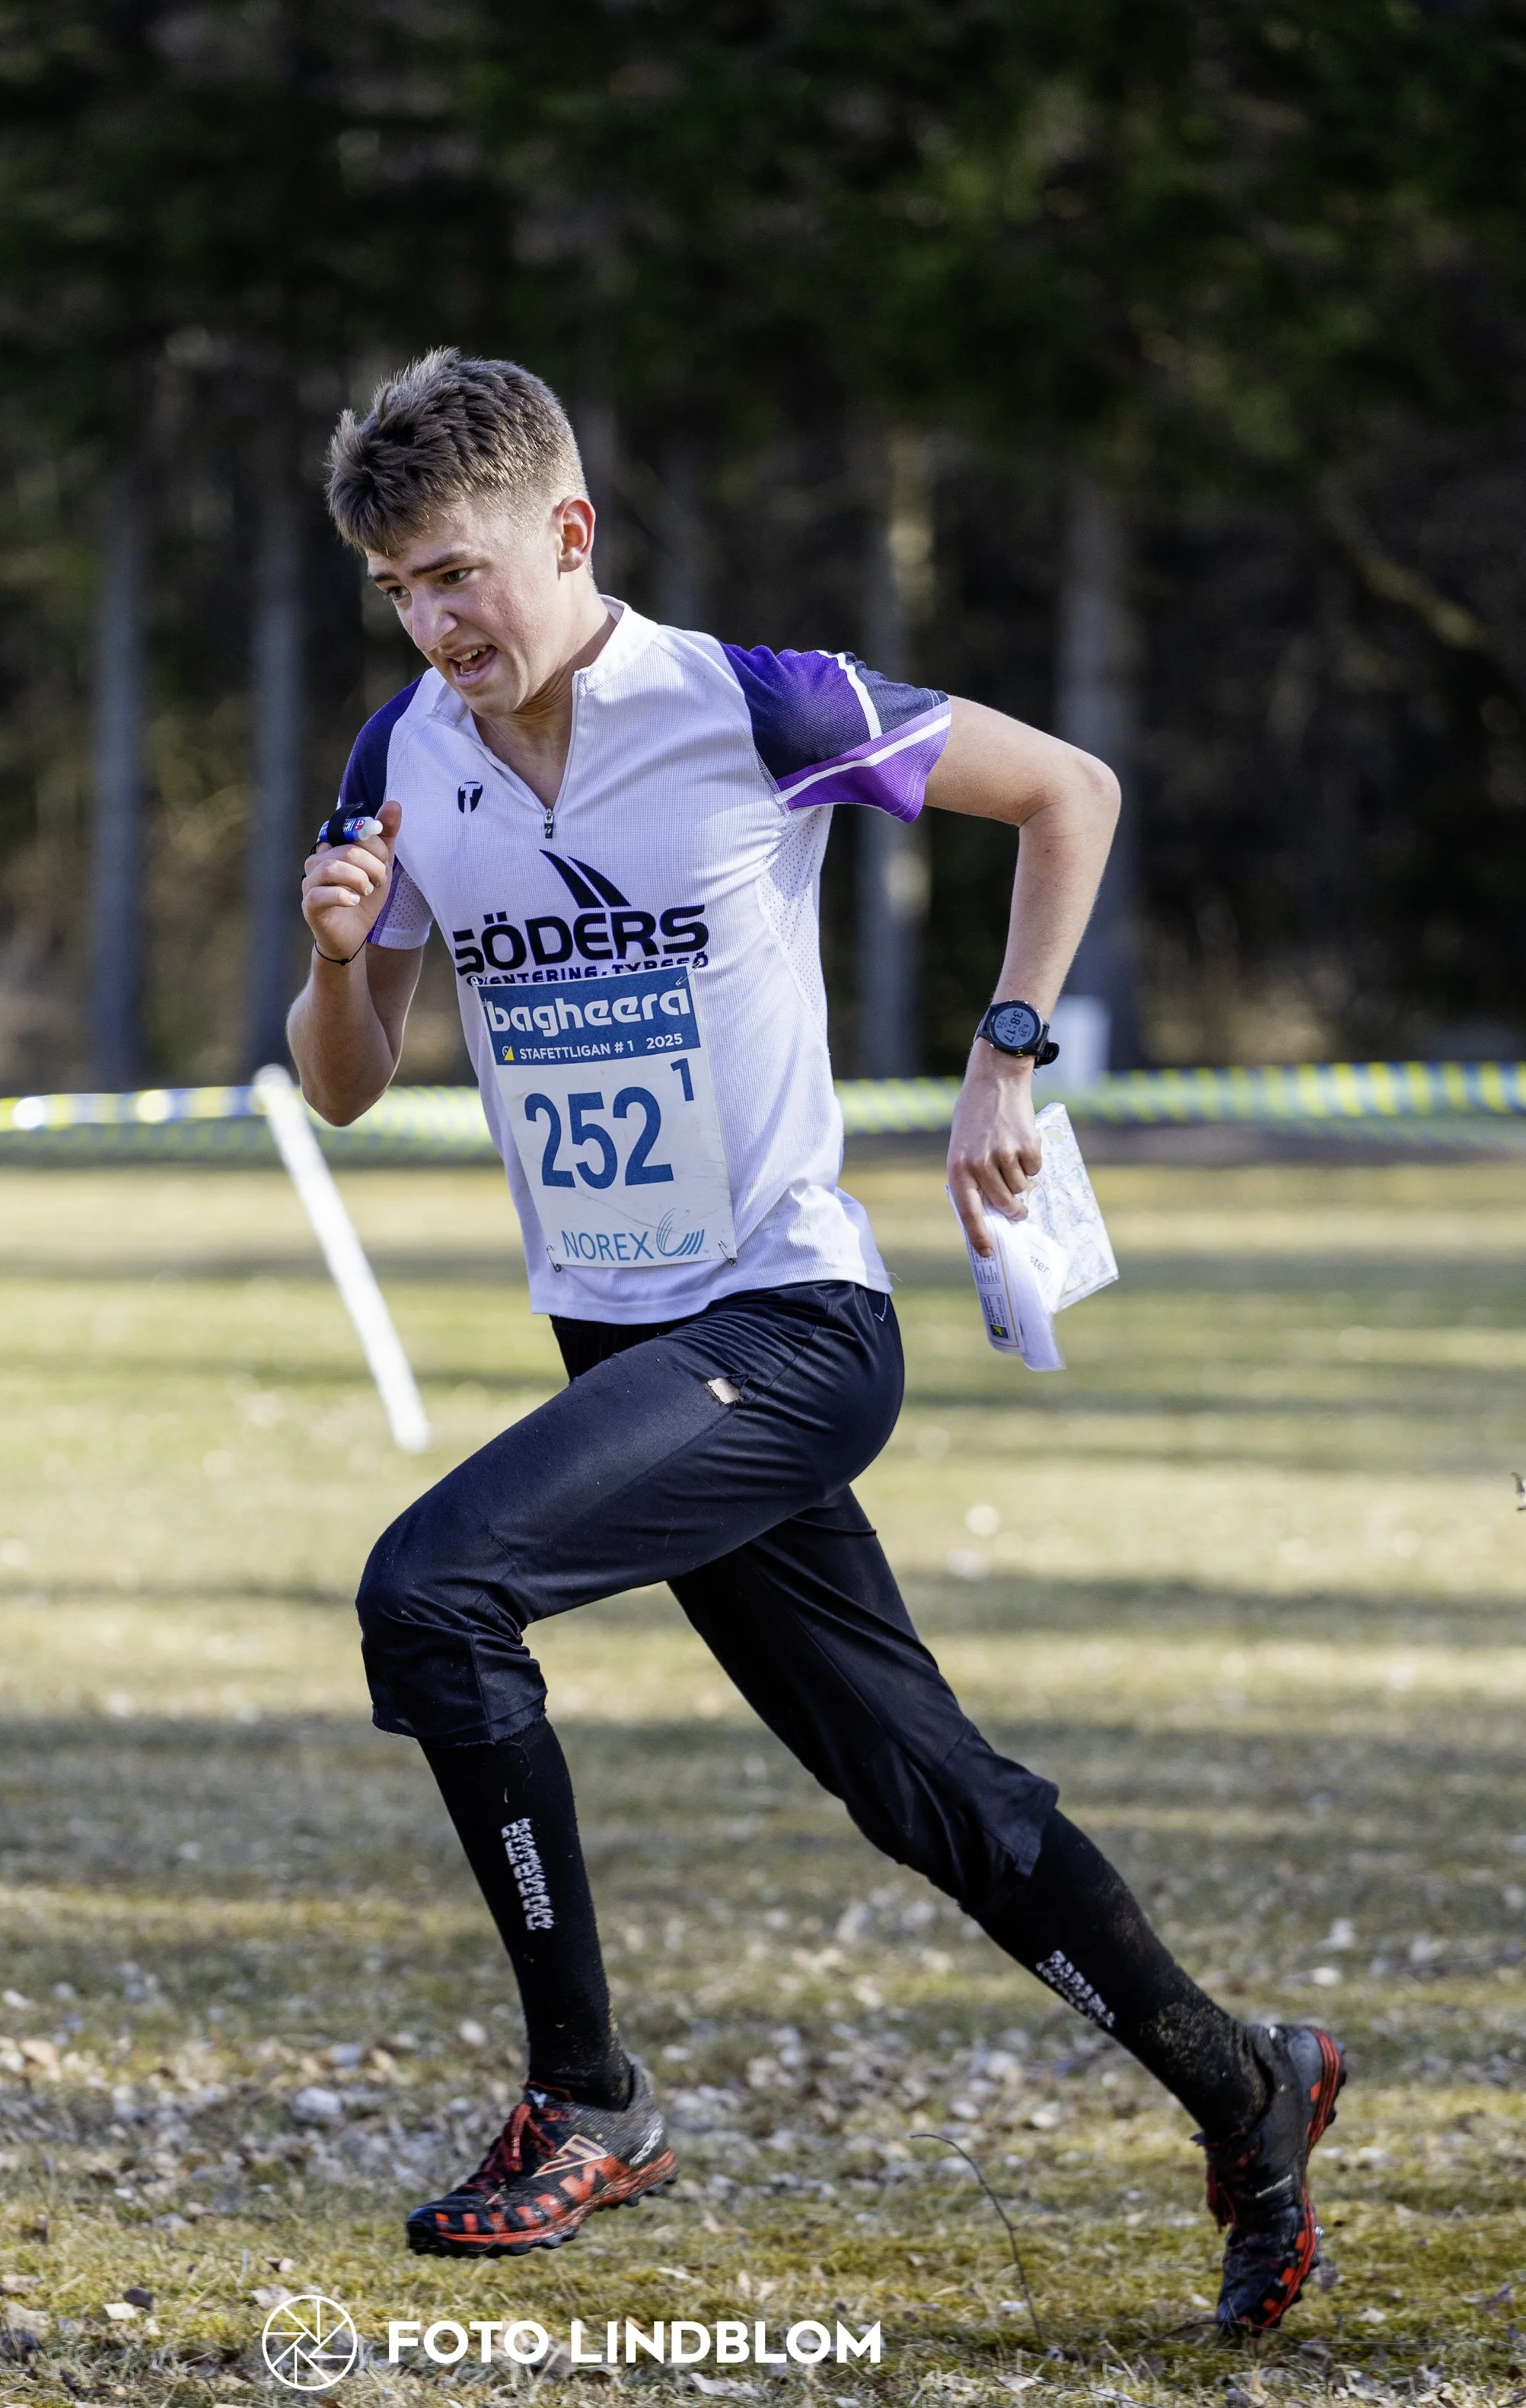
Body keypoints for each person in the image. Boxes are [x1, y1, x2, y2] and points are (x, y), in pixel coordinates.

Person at [286, 349, 1343, 2334]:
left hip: (785, 1326)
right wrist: (341, 960)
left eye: (460, 573)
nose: (436, 624)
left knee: (430, 1596)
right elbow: (342, 1086)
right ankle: (1245, 2079)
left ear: (567, 534)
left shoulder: (747, 705)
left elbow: (1066, 794)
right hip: (628, 1362)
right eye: (398, 588)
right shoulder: (396, 759)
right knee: (923, 1792)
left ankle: (584, 2094)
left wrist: (1001, 1054)